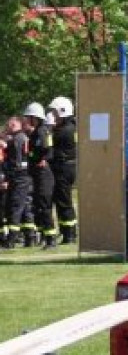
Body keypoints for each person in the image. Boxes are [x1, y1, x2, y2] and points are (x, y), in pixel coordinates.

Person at [24, 102, 57, 249]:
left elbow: (47, 149)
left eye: (29, 117)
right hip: (37, 174)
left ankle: (51, 238)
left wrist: (43, 159)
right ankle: (45, 236)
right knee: (39, 206)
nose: (27, 120)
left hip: (43, 174)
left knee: (45, 206)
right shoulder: (37, 132)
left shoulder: (43, 131)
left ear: (34, 117)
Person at [47, 96, 77, 244]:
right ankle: (68, 232)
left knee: (64, 201)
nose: (53, 116)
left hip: (63, 168)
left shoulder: (64, 131)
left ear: (63, 112)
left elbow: (51, 146)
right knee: (63, 200)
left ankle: (69, 234)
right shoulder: (71, 126)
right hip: (67, 167)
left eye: (55, 113)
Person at [2, 116, 33, 248]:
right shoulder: (20, 138)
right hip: (24, 176)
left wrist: (8, 177)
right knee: (25, 206)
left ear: (19, 124)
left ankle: (11, 240)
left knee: (15, 206)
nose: (9, 126)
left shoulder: (18, 139)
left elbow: (17, 163)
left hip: (19, 176)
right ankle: (30, 237)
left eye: (12, 124)